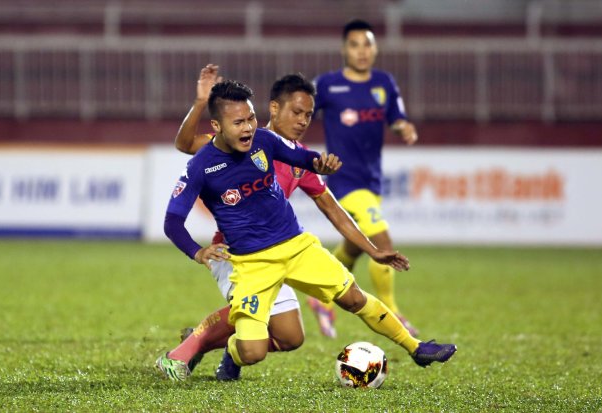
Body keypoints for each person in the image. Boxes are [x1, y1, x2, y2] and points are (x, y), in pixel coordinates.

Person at [159, 78, 456, 381]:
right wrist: (197, 252)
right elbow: (174, 212)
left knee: (321, 318)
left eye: (308, 115)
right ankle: (201, 345)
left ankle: (416, 347)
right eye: (296, 112)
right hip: (243, 258)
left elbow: (311, 169)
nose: (302, 121)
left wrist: (321, 165)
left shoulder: (268, 142)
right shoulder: (206, 160)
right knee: (252, 348)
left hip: (294, 246)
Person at [308, 19, 420, 338]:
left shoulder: (384, 83)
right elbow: (301, 110)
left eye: (367, 44)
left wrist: (404, 127)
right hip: (343, 180)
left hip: (371, 180)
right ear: (344, 49)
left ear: (375, 48)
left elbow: (396, 118)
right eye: (354, 44)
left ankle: (319, 299)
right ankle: (392, 311)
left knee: (354, 247)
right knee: (381, 243)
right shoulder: (327, 85)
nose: (361, 51)